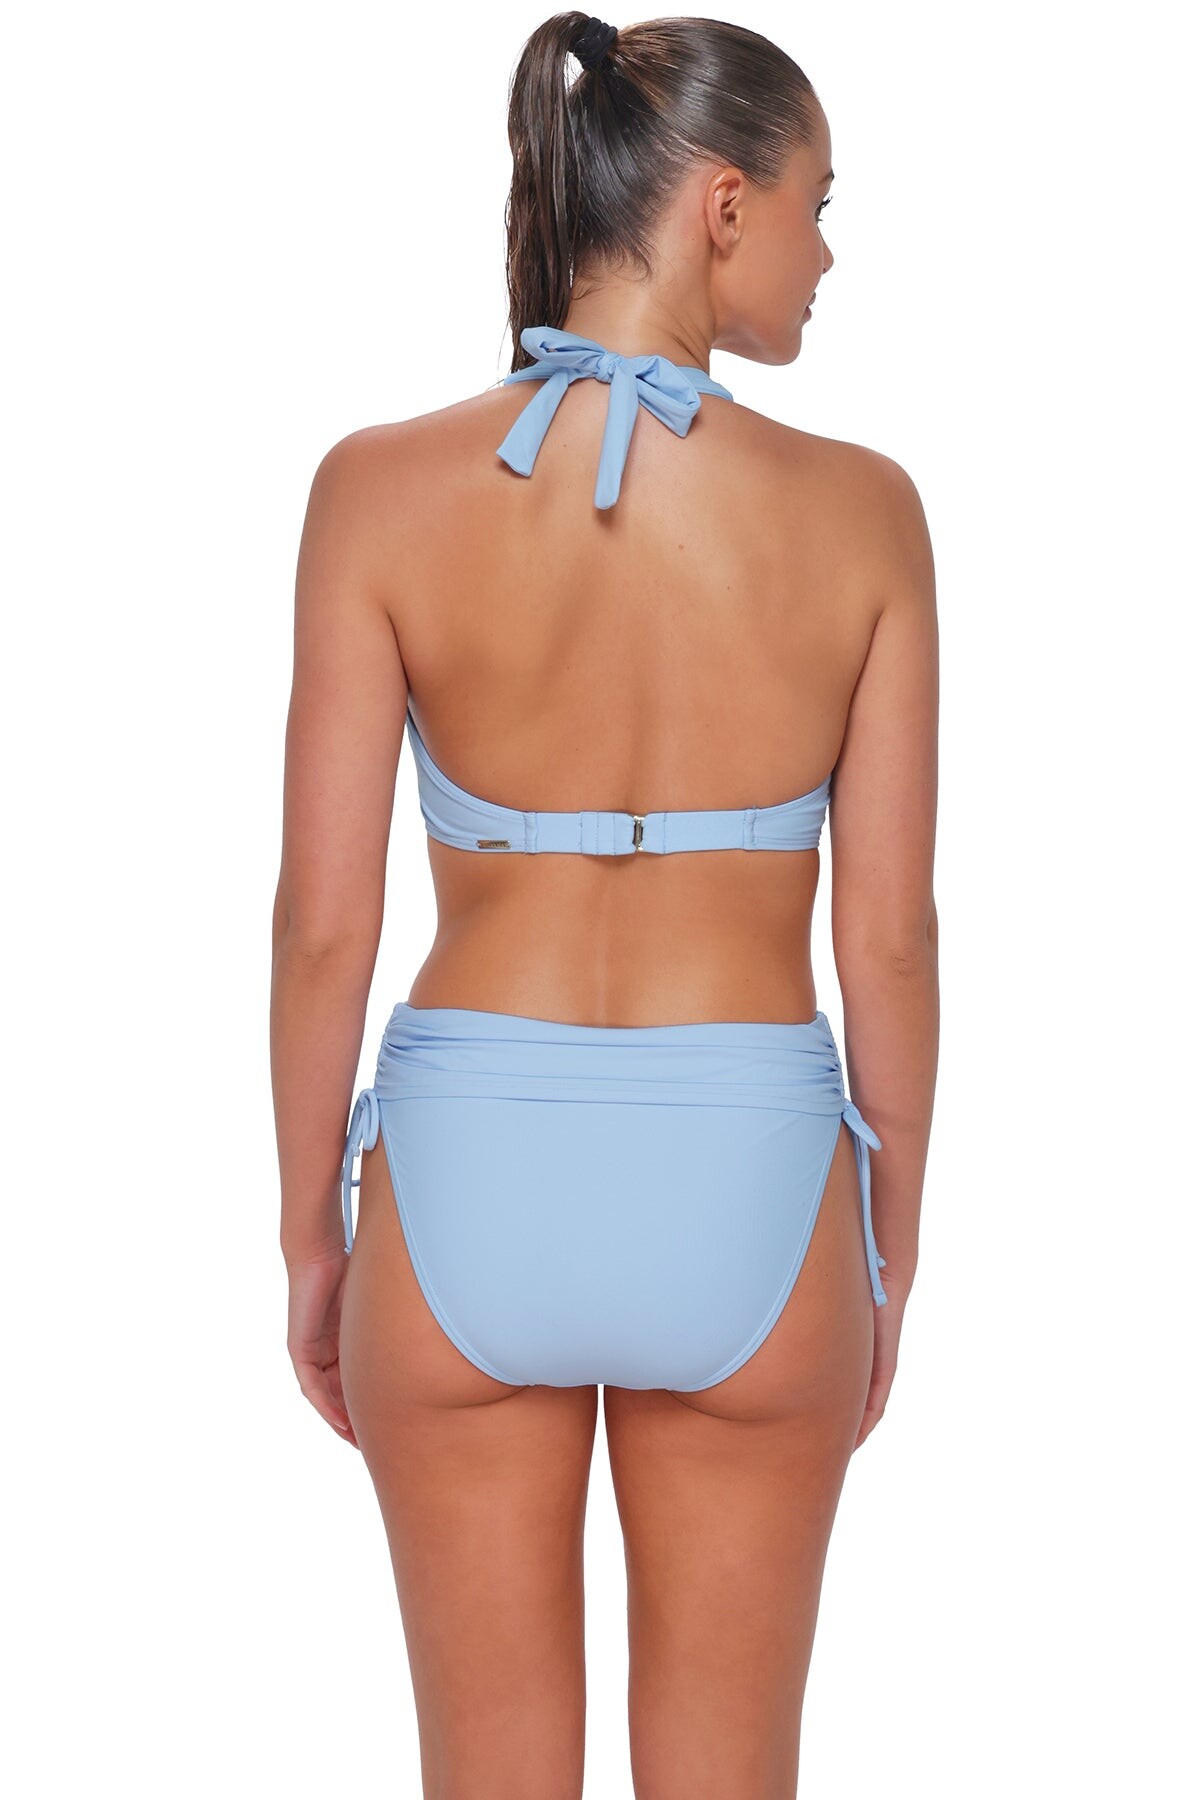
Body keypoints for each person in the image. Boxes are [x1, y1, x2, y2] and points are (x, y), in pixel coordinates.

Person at [270, 11, 938, 1797]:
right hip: (751, 1181)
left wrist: (312, 1236)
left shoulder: (376, 490)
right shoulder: (866, 516)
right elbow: (887, 939)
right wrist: (888, 1245)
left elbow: (322, 925)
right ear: (723, 204)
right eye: (817, 205)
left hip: (464, 1174)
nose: (827, 254)